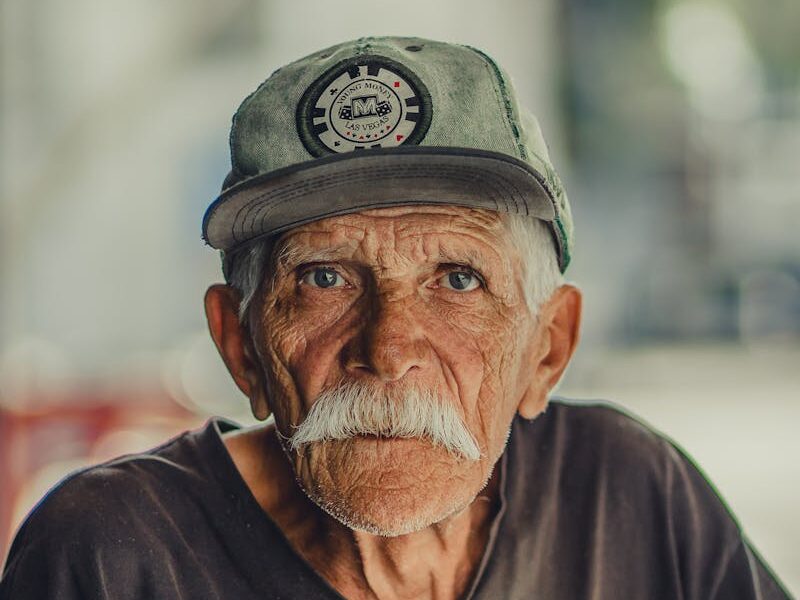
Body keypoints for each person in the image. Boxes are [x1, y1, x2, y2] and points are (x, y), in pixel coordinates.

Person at [0, 36, 791, 600]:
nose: (388, 348)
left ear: (547, 350)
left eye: (456, 278)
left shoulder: (628, 496)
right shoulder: (111, 552)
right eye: (323, 277)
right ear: (240, 347)